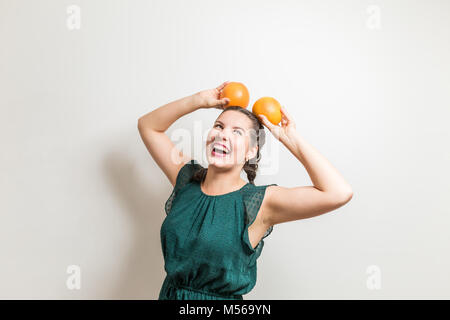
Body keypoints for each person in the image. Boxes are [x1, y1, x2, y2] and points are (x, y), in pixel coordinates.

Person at [137, 81, 353, 300]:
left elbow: (338, 192)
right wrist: (199, 100)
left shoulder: (260, 202)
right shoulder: (186, 179)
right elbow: (148, 126)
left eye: (237, 132)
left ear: (251, 151)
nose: (222, 135)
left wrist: (290, 138)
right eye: (219, 126)